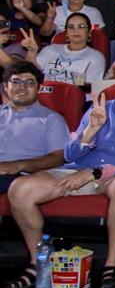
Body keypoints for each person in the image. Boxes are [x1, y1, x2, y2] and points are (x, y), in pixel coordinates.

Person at [5, 60, 115, 288]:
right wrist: (91, 129)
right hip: (76, 169)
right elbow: (69, 154)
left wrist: (94, 173)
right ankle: (37, 264)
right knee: (20, 189)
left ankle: (111, 265)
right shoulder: (100, 109)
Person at [0, 62, 69, 199]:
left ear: (39, 88)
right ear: (6, 87)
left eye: (30, 83)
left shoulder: (51, 119)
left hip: (22, 175)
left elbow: (58, 158)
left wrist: (19, 165)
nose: (22, 87)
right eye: (15, 82)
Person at [26, 13, 105, 85]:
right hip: (43, 92)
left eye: (81, 26)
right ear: (66, 32)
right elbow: (30, 72)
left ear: (89, 31)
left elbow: (89, 89)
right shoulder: (50, 50)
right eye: (71, 27)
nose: (76, 30)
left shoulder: (95, 57)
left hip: (72, 94)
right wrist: (31, 52)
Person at [40, 0, 105, 36]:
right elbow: (45, 33)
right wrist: (50, 18)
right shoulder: (58, 11)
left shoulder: (93, 12)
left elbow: (97, 35)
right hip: (60, 45)